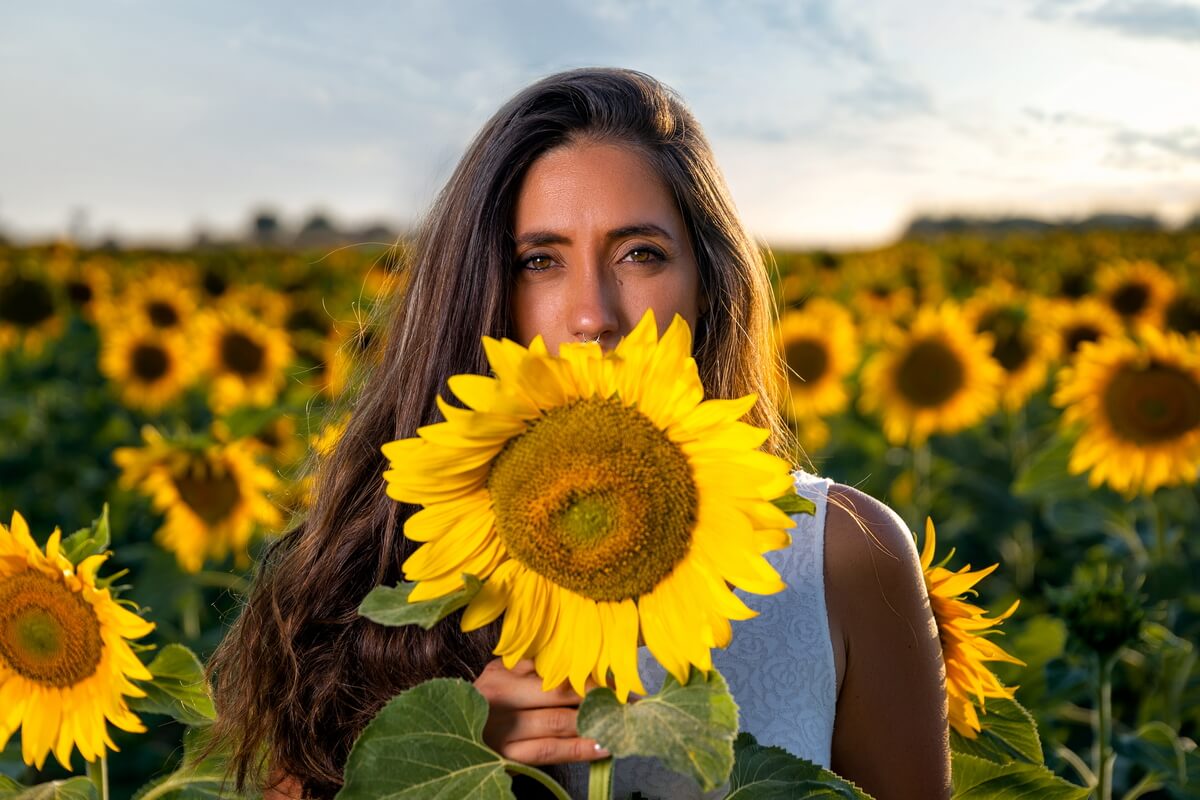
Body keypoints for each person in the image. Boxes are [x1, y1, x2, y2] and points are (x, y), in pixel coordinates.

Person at [208, 67, 950, 800]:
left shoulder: (844, 556)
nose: (593, 313)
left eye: (640, 254)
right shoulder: (393, 558)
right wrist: (456, 762)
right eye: (540, 261)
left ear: (708, 280)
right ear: (482, 288)